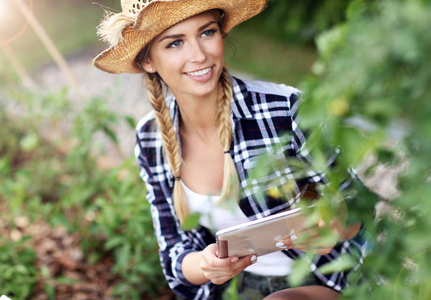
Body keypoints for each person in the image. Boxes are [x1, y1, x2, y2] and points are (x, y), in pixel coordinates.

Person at [93, 0, 367, 299]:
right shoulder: (150, 137)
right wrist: (207, 264)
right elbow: (174, 251)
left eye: (207, 32)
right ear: (148, 61)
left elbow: (357, 206)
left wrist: (332, 226)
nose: (199, 55)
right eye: (175, 43)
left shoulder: (285, 110)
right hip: (232, 290)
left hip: (322, 277)